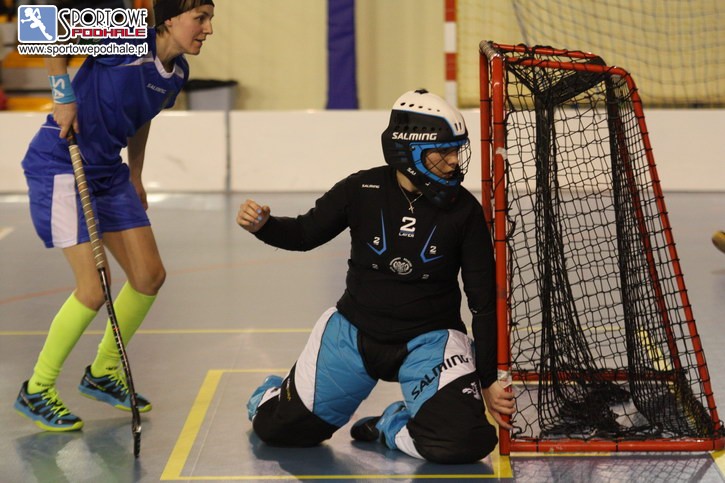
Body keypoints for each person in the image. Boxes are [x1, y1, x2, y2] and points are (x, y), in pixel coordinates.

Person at [237, 89, 516, 464]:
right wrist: (264, 226)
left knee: (466, 442)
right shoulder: (361, 189)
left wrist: (488, 379)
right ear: (409, 150)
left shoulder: (465, 211)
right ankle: (272, 394)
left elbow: (483, 303)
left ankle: (391, 425)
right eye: (442, 151)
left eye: (456, 150)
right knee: (279, 432)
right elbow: (304, 234)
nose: (454, 161)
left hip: (430, 342)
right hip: (353, 334)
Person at [14, 0, 215, 432]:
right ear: (169, 19)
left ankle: (103, 372)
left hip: (109, 172)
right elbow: (38, 25)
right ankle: (37, 388)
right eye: (200, 18)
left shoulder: (178, 73)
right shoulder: (127, 34)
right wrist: (62, 94)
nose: (208, 29)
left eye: (210, 19)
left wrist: (136, 175)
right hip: (61, 164)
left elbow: (142, 119)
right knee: (93, 288)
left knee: (149, 277)